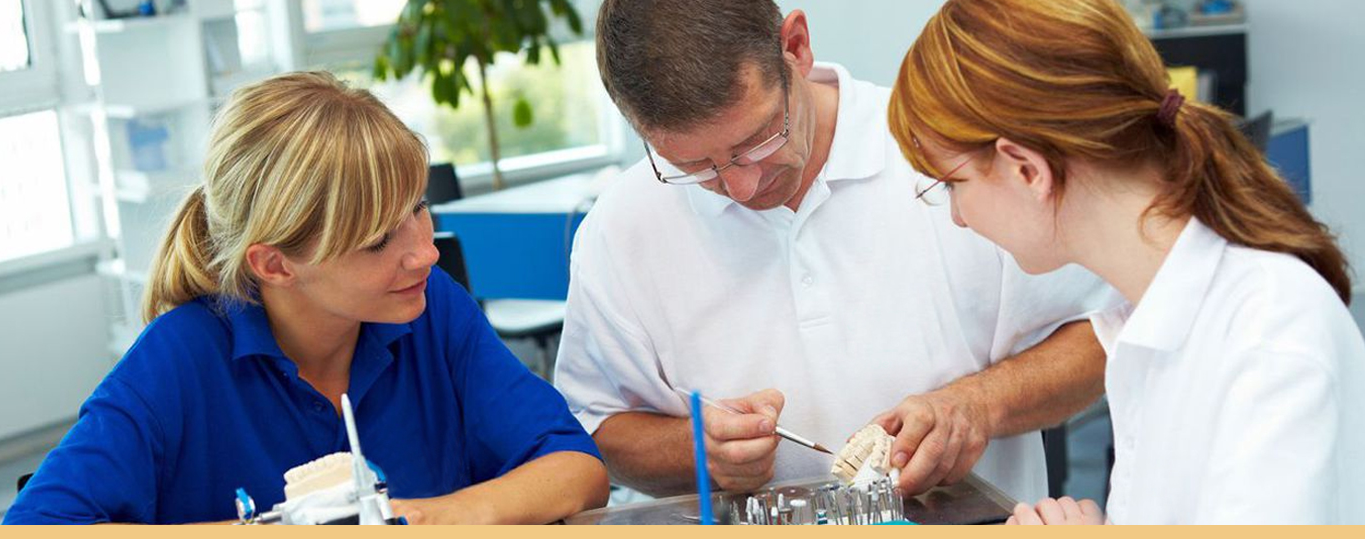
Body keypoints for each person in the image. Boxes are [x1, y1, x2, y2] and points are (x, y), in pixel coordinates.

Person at [553, 0, 1117, 503]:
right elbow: (591, 429)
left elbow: (1102, 335)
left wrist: (977, 405)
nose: (743, 189)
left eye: (757, 141)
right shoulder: (620, 229)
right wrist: (695, 450)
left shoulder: (943, 155)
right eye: (695, 168)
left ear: (795, 47)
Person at [4, 72, 608, 524]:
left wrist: (434, 518)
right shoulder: (179, 358)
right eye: (376, 242)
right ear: (273, 263)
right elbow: (34, 528)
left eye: (418, 208)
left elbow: (576, 468)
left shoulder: (432, 311)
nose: (424, 252)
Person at [888, 0, 1365, 524]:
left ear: (1026, 169)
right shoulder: (1142, 327)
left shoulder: (1268, 333)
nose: (957, 217)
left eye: (954, 184)